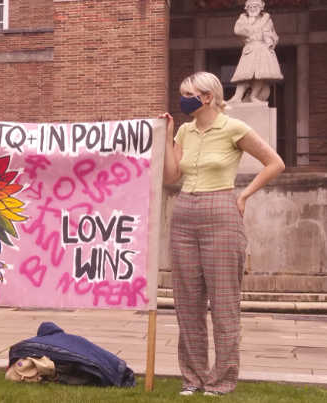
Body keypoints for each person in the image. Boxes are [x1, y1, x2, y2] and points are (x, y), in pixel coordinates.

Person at [161, 72, 284, 396]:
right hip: (185, 213)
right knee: (187, 303)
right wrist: (168, 136)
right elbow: (171, 177)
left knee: (224, 302)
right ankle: (193, 378)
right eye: (181, 91)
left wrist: (244, 195)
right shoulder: (186, 131)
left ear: (206, 97)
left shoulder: (234, 128)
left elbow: (275, 163)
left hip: (221, 212)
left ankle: (222, 380)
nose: (183, 97)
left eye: (188, 92)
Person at [228, 0, 283, 104]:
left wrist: (270, 40)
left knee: (261, 74)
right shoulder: (244, 19)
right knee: (244, 73)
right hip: (250, 48)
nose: (253, 9)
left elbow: (273, 34)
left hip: (263, 49)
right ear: (246, 8)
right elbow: (238, 30)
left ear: (261, 7)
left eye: (255, 6)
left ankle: (254, 96)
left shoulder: (267, 20)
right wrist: (251, 25)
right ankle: (237, 96)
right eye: (250, 7)